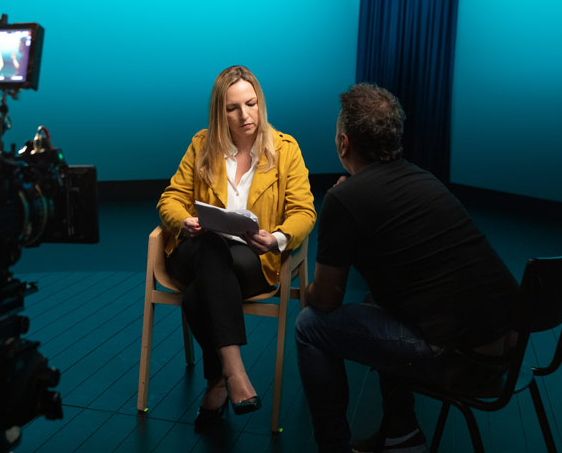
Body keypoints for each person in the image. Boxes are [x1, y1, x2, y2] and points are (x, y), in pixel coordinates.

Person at [295, 83, 518, 453]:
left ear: (344, 143)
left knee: (308, 326)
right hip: (508, 350)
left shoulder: (342, 199)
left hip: (466, 363)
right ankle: (401, 433)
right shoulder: (422, 178)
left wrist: (307, 292)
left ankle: (332, 447)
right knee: (374, 301)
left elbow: (325, 302)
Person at [157, 65, 316, 429]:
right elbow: (170, 199)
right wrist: (185, 221)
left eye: (251, 103)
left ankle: (217, 380)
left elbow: (304, 211)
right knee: (211, 248)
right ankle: (236, 373)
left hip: (250, 261)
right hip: (194, 250)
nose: (245, 115)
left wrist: (275, 239)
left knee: (198, 294)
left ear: (261, 103)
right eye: (233, 108)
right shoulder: (202, 144)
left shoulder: (285, 150)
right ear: (219, 112)